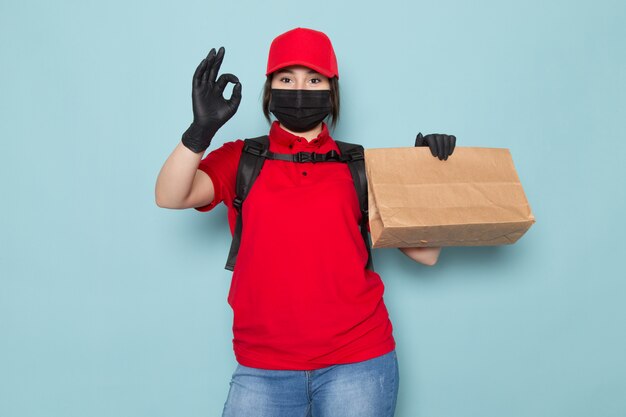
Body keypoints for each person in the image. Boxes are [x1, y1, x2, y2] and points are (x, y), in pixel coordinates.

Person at [155, 27, 456, 417]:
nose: (300, 89)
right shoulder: (241, 159)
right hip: (262, 368)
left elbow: (426, 254)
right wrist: (200, 131)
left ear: (331, 92)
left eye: (314, 79)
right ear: (270, 90)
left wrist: (427, 177)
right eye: (286, 79)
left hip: (359, 362)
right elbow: (170, 195)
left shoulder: (361, 165)